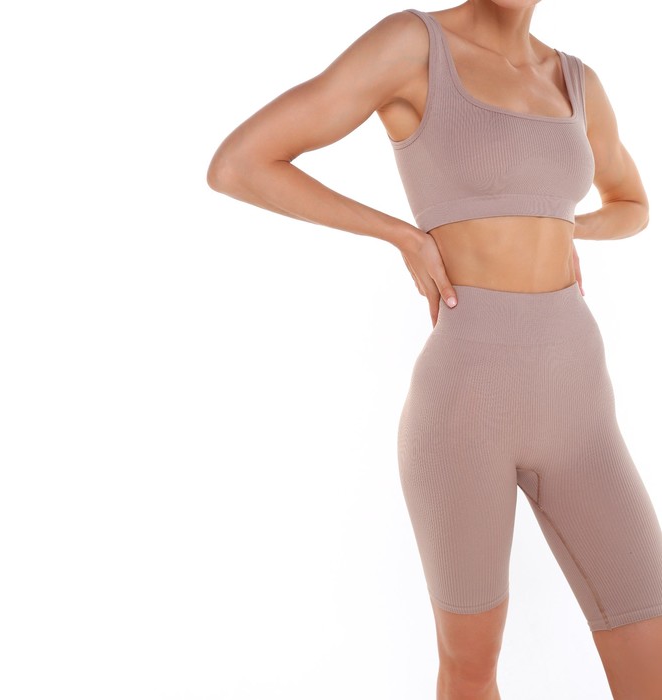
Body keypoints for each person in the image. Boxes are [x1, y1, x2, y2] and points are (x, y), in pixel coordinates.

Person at [206, 1, 662, 696]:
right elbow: (240, 163)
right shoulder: (414, 46)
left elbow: (632, 203)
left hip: (581, 404)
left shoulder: (576, 81)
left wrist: (569, 229)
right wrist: (402, 235)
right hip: (466, 404)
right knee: (469, 668)